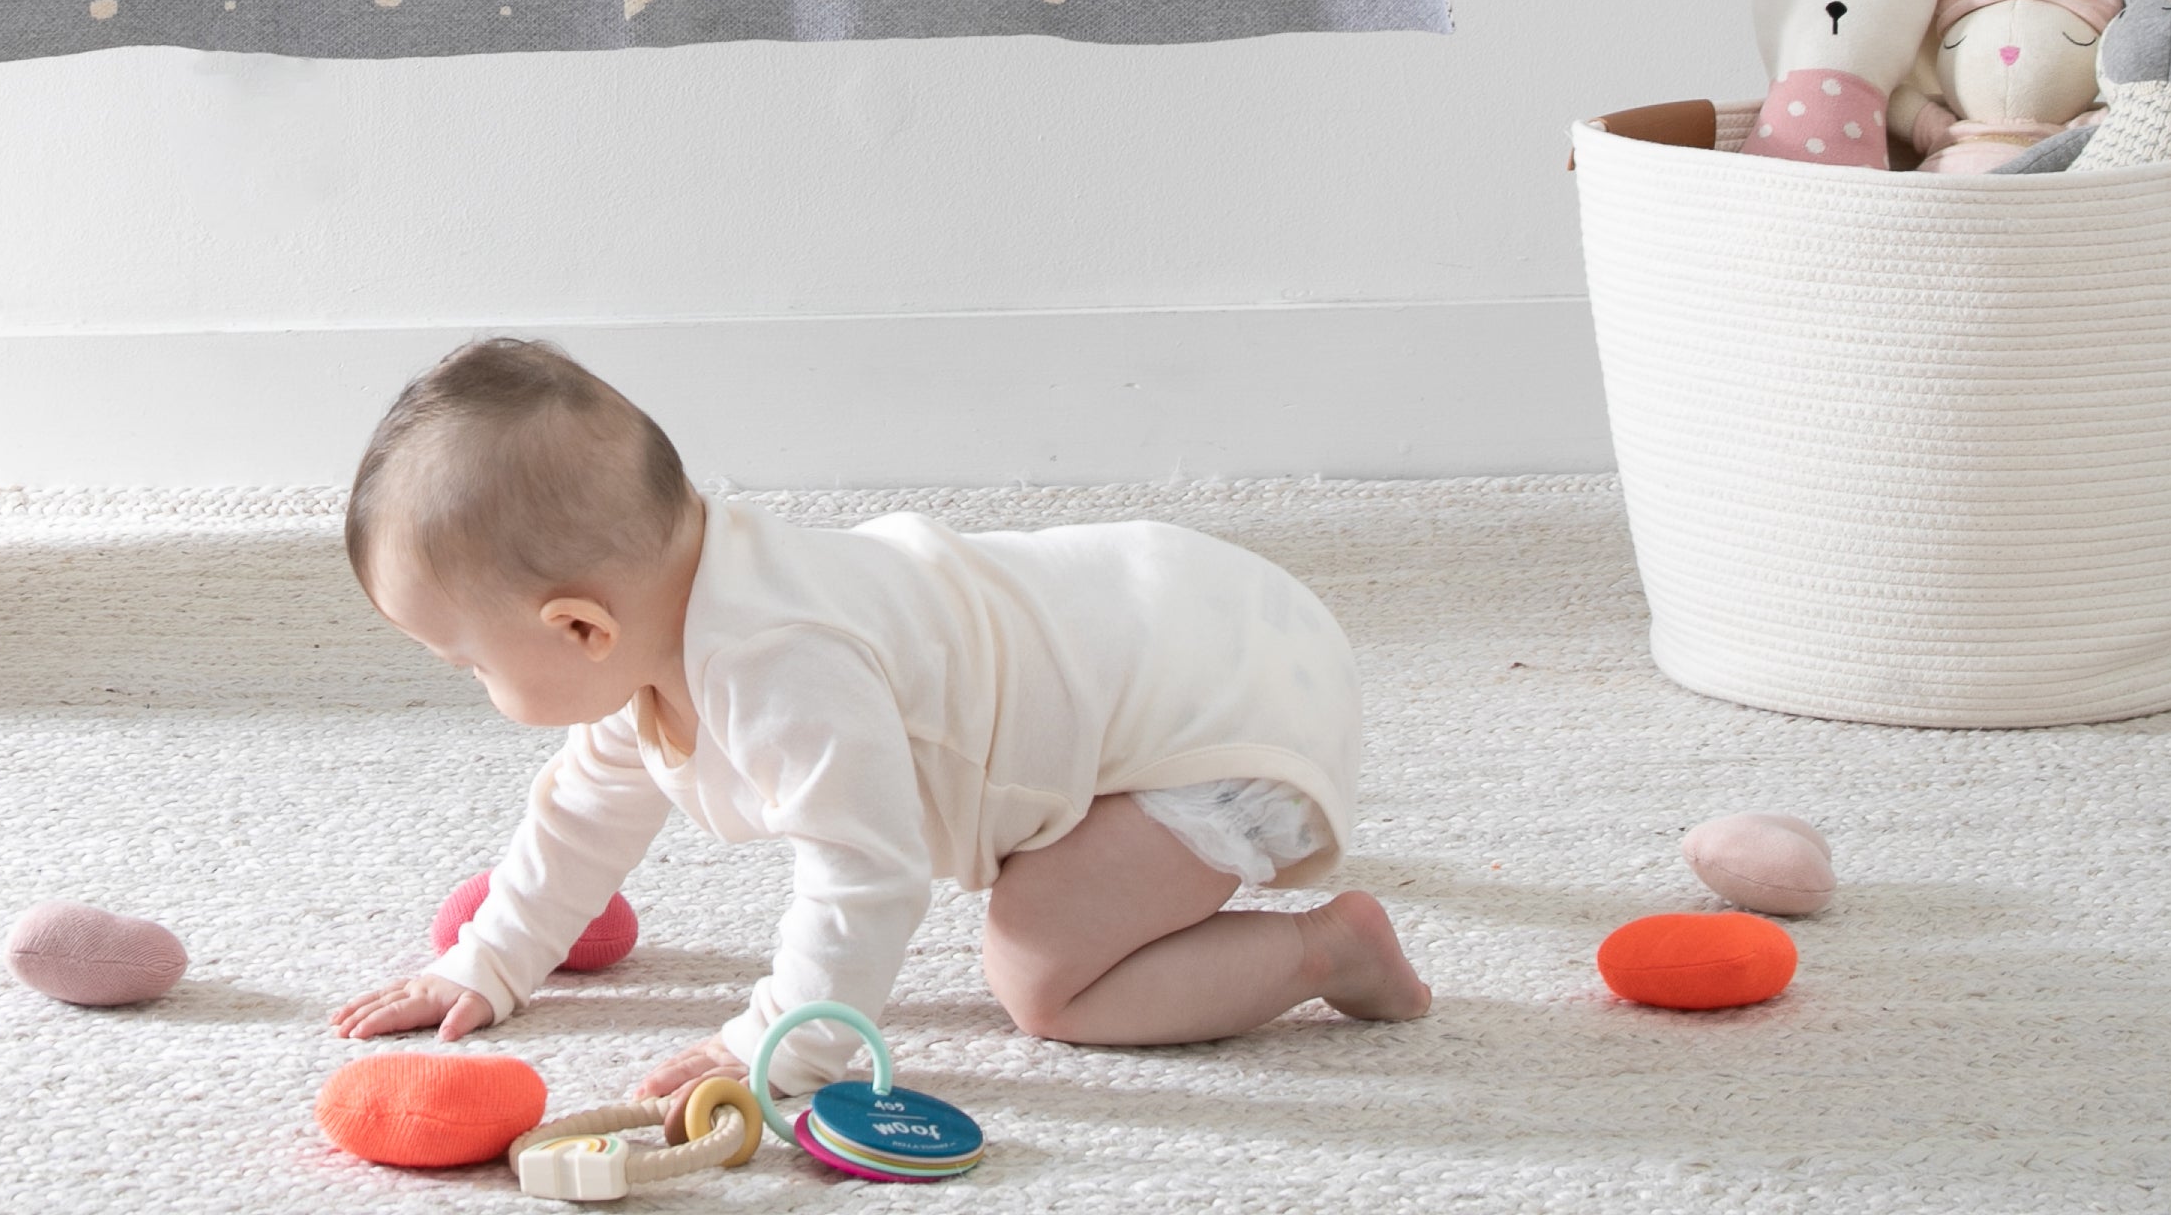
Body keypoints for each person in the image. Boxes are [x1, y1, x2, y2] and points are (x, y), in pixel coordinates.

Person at [328, 337, 1427, 1101]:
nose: (470, 682)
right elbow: (583, 815)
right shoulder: (660, 622)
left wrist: (780, 1041)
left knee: (1045, 978)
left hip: (1222, 715)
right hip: (1181, 606)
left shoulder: (785, 665)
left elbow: (867, 876)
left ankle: (1329, 950)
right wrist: (488, 962)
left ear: (580, 629)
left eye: (467, 661)